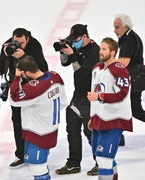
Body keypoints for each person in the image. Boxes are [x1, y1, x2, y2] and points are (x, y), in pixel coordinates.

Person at [0, 28, 48, 168]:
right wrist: (3, 58)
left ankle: (37, 152)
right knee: (17, 121)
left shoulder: (34, 45)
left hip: (33, 88)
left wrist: (24, 56)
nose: (18, 45)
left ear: (28, 39)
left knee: (33, 121)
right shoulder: (8, 45)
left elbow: (43, 68)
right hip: (16, 86)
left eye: (22, 42)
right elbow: (0, 67)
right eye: (16, 42)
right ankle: (21, 154)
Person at [9, 55, 68, 179]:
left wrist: (17, 78)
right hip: (50, 128)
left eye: (23, 74)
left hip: (38, 132)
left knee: (37, 168)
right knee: (41, 164)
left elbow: (14, 99)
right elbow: (63, 102)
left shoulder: (34, 88)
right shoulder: (55, 76)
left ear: (28, 72)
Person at [55, 24, 99, 176]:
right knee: (72, 127)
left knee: (89, 130)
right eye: (73, 39)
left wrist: (73, 55)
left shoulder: (95, 51)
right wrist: (63, 52)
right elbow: (65, 63)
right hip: (78, 94)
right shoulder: (77, 46)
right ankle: (74, 163)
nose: (75, 42)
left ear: (86, 36)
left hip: (90, 96)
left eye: (77, 39)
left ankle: (101, 162)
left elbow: (82, 74)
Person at [87, 37, 133, 180]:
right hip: (99, 120)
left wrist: (100, 97)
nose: (100, 51)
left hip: (114, 120)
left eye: (104, 49)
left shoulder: (120, 70)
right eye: (100, 48)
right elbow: (95, 92)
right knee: (101, 156)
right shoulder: (97, 68)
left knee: (103, 159)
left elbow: (122, 94)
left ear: (113, 52)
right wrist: (92, 117)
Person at [114, 14, 145, 124]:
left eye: (117, 27)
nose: (114, 30)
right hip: (134, 76)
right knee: (132, 109)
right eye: (114, 27)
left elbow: (125, 61)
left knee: (135, 110)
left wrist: (108, 62)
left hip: (137, 77)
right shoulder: (125, 37)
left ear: (126, 26)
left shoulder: (130, 38)